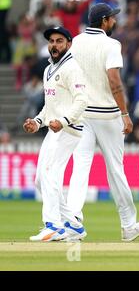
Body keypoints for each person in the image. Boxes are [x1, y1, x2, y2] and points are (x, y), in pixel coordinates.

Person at [66, 3, 139, 242]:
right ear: (104, 21)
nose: (114, 22)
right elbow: (114, 80)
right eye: (112, 18)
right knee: (115, 169)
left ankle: (73, 222)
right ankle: (128, 225)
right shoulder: (112, 44)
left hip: (81, 112)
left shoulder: (76, 41)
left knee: (80, 167)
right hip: (107, 114)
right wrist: (124, 112)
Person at [24, 26, 88, 241]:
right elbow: (50, 106)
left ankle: (53, 226)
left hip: (69, 129)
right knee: (41, 181)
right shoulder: (49, 69)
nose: (54, 45)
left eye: (59, 41)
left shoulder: (72, 68)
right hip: (54, 130)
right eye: (51, 41)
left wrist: (63, 121)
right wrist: (37, 122)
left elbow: (82, 100)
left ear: (68, 44)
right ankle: (73, 225)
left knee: (51, 174)